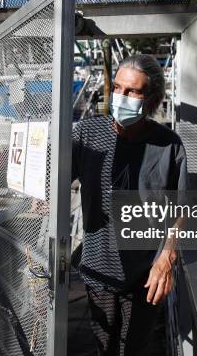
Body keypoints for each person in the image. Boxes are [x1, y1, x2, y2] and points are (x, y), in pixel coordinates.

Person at [71, 54, 187, 355]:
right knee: (104, 345)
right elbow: (51, 176)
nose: (121, 97)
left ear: (151, 99)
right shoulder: (87, 133)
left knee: (136, 347)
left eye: (132, 91)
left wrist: (167, 258)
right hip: (99, 268)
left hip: (147, 270)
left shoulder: (169, 145)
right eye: (118, 88)